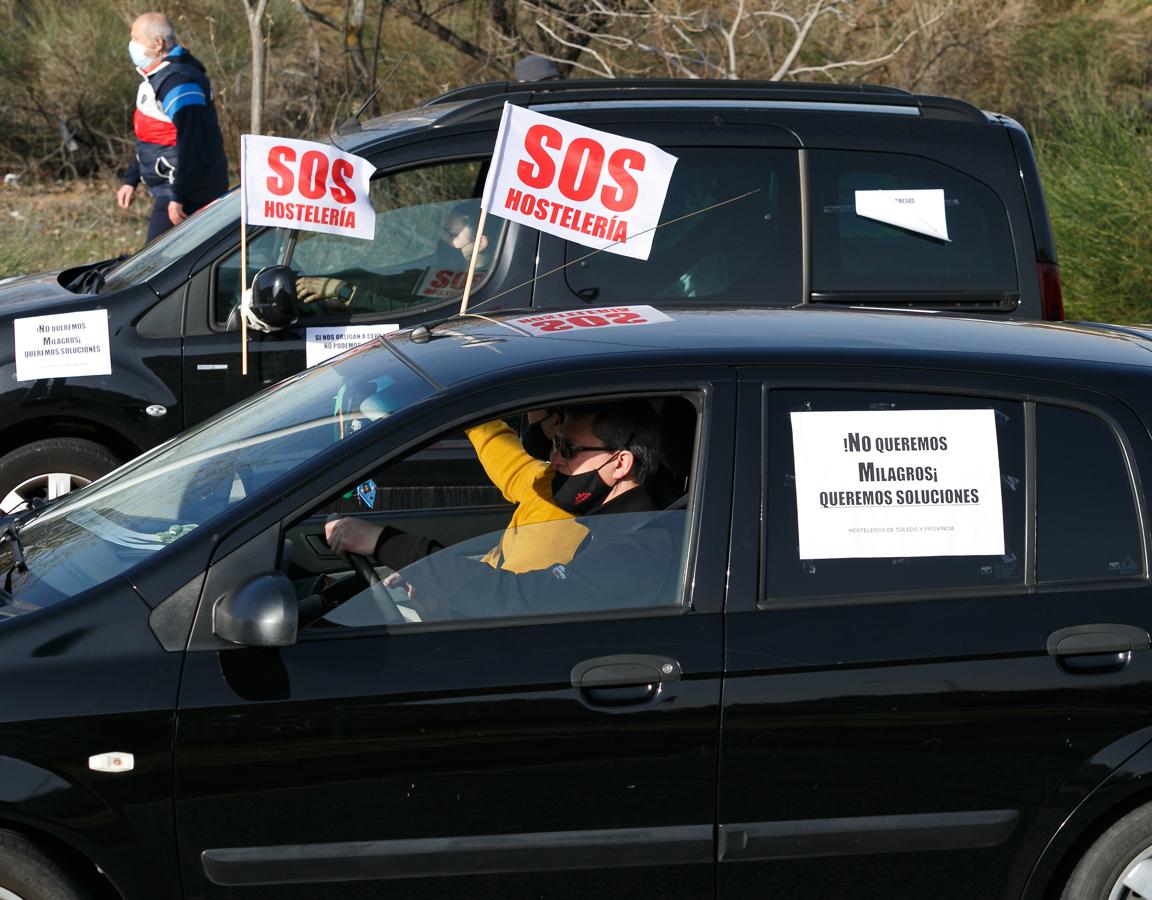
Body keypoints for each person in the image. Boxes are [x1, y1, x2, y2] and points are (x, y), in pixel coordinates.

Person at [324, 399, 680, 620]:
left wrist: (385, 542)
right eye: (554, 443)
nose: (553, 458)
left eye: (568, 448)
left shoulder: (635, 551)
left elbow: (516, 599)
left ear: (620, 464)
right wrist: (442, 595)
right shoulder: (614, 526)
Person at [116, 12, 228, 242]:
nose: (131, 45)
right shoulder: (157, 77)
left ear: (158, 43)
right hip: (172, 186)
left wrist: (179, 196)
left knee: (153, 266)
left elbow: (193, 142)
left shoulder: (180, 82)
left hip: (187, 189)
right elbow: (155, 136)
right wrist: (131, 179)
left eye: (136, 39)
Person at [295, 201, 493, 313]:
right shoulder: (445, 270)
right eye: (444, 232)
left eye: (452, 235)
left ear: (480, 243)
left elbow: (412, 312)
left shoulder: (477, 289)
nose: (443, 240)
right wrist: (344, 282)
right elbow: (388, 283)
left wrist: (343, 291)